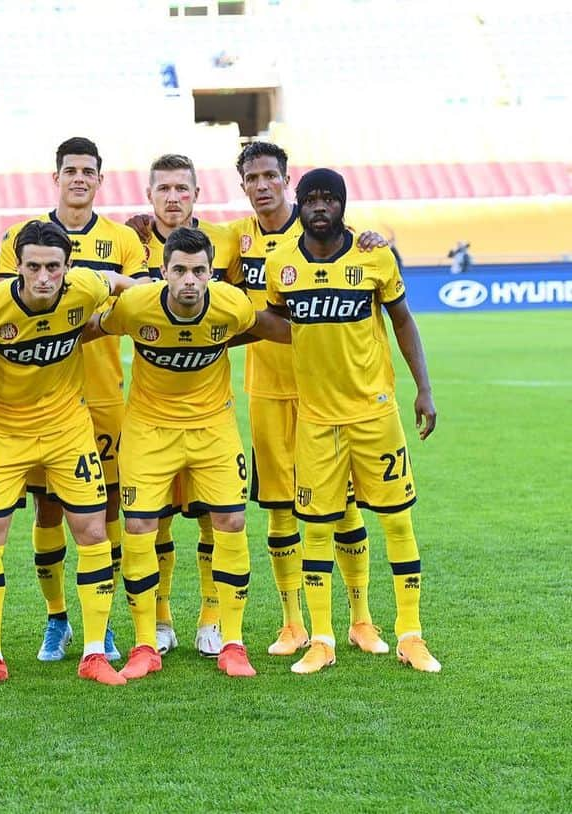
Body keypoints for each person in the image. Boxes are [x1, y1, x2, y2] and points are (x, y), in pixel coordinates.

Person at [89, 226, 290, 678]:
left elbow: (266, 326)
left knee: (231, 521)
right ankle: (145, 644)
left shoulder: (232, 304)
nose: (189, 280)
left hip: (213, 427)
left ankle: (232, 643)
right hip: (148, 429)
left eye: (199, 271)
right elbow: (90, 328)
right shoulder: (135, 305)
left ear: (210, 275)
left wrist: (328, 332)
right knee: (139, 524)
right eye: (179, 270)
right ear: (163, 272)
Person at [264, 168, 441, 674]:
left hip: (374, 414)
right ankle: (323, 639)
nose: (321, 206)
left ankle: (411, 634)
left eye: (330, 198)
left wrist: (424, 388)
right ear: (299, 205)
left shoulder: (374, 255)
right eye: (312, 198)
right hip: (316, 419)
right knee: (315, 529)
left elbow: (403, 320)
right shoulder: (283, 264)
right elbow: (277, 321)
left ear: (343, 204)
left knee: (397, 522)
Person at [0, 220, 143, 689]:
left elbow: (121, 284)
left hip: (68, 428)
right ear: (17, 267)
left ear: (68, 268)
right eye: (34, 267)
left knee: (92, 529)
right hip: (4, 432)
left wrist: (152, 292)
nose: (44, 277)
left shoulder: (84, 287)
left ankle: (95, 652)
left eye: (54, 267)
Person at [228, 142, 388, 658]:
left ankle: (361, 618)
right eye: (252, 177)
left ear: (285, 179)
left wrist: (378, 238)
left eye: (270, 176)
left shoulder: (321, 227)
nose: (262, 185)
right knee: (279, 509)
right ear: (243, 184)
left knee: (341, 507)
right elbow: (185, 247)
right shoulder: (237, 238)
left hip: (329, 392)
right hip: (268, 389)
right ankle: (292, 622)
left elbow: (369, 254)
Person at [0, 137, 148, 663]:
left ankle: (99, 627)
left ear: (100, 179)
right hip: (36, 402)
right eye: (70, 170)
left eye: (88, 171)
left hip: (102, 395)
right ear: (54, 176)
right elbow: (6, 312)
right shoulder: (22, 237)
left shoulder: (122, 239)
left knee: (101, 510)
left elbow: (143, 297)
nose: (79, 178)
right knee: (45, 511)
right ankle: (56, 617)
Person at [125, 153, 243, 658]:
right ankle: (155, 626)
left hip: (212, 424)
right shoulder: (132, 269)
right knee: (150, 522)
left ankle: (218, 624)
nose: (173, 197)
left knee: (222, 520)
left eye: (183, 188)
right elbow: (96, 321)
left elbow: (258, 320)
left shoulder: (228, 267)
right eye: (163, 189)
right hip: (150, 427)